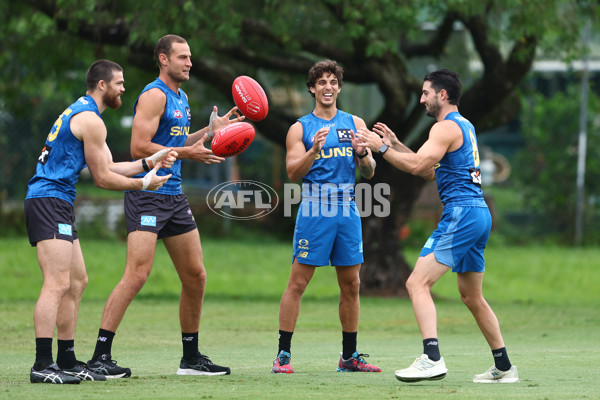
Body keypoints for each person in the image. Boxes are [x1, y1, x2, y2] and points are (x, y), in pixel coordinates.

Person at [87, 34, 242, 378]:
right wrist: (189, 153)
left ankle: (190, 358)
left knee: (196, 276)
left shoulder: (181, 97)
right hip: (147, 193)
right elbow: (140, 146)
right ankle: (99, 356)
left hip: (173, 196)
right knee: (137, 274)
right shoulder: (155, 95)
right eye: (183, 57)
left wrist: (209, 132)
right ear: (163, 60)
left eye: (190, 57)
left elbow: (174, 143)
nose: (190, 63)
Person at [356, 69, 519, 383]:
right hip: (477, 214)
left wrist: (380, 147)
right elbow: (429, 170)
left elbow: (419, 165)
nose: (421, 99)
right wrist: (397, 144)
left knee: (416, 283)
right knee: (472, 297)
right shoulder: (463, 125)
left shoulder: (444, 128)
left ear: (442, 95)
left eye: (425, 92)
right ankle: (504, 366)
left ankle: (431, 358)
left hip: (461, 214)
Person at [25, 59, 176, 384]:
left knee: (76, 281)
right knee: (57, 283)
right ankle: (42, 365)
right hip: (48, 199)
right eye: (119, 83)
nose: (124, 88)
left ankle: (66, 359)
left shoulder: (84, 114)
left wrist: (150, 161)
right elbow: (103, 179)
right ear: (103, 85)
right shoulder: (91, 120)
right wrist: (144, 184)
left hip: (57, 200)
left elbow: (107, 164)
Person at [271, 59, 381, 374]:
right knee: (298, 282)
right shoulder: (300, 128)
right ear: (312, 88)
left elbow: (370, 173)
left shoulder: (355, 123)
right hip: (315, 209)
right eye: (321, 82)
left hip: (347, 209)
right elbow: (292, 173)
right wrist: (313, 150)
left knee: (352, 283)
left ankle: (349, 357)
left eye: (333, 81)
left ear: (340, 87)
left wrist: (363, 154)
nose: (328, 87)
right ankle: (283, 355)